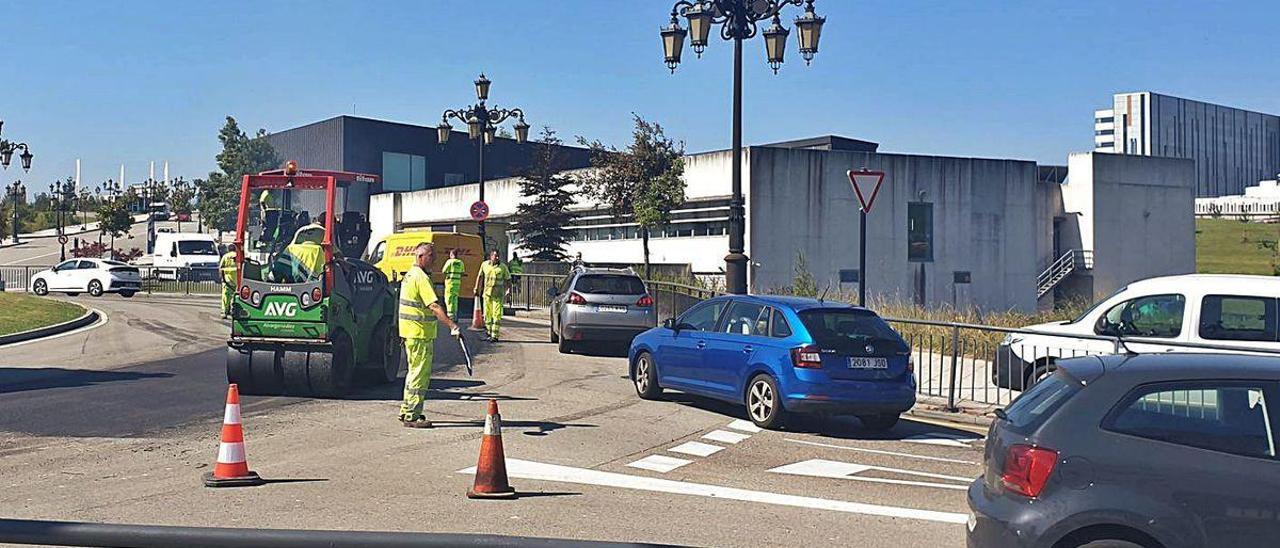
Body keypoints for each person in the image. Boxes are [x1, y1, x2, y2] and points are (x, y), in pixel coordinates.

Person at [398, 242, 462, 428]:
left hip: (411, 332)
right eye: (431, 256)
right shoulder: (421, 278)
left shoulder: (409, 275)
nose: (434, 259)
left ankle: (407, 410)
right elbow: (433, 306)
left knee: (413, 373)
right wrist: (452, 325)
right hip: (420, 333)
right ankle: (412, 415)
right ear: (421, 257)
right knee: (419, 375)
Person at [474, 249, 511, 342]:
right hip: (487, 294)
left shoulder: (503, 267)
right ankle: (489, 332)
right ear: (491, 256)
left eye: (498, 256)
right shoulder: (484, 265)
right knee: (487, 314)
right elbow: (480, 276)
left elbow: (508, 279)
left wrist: (508, 290)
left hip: (498, 295)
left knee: (496, 315)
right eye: (495, 256)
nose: (497, 258)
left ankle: (495, 335)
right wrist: (476, 288)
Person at [441, 248, 466, 321]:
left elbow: (444, 270)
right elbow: (462, 272)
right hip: (457, 283)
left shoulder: (449, 262)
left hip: (450, 282)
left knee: (449, 299)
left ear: (451, 254)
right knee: (455, 299)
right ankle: (455, 315)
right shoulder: (460, 262)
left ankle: (450, 316)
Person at [219, 242, 238, 319]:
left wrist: (221, 278)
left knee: (225, 296)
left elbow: (221, 267)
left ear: (228, 249)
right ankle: (233, 311)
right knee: (235, 296)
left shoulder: (225, 256)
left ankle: (224, 312)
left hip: (227, 280)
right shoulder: (238, 256)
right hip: (236, 280)